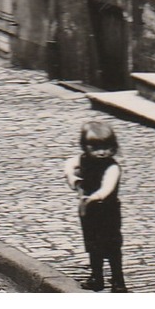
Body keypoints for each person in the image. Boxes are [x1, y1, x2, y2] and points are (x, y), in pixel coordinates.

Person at [64, 119, 126, 292]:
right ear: (85, 147)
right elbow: (69, 164)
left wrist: (93, 197)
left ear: (113, 147)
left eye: (106, 148)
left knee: (112, 245)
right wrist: (74, 179)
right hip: (89, 211)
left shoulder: (112, 167)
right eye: (95, 148)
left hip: (107, 210)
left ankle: (118, 281)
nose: (101, 152)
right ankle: (96, 277)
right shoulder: (83, 160)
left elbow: (108, 187)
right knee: (93, 245)